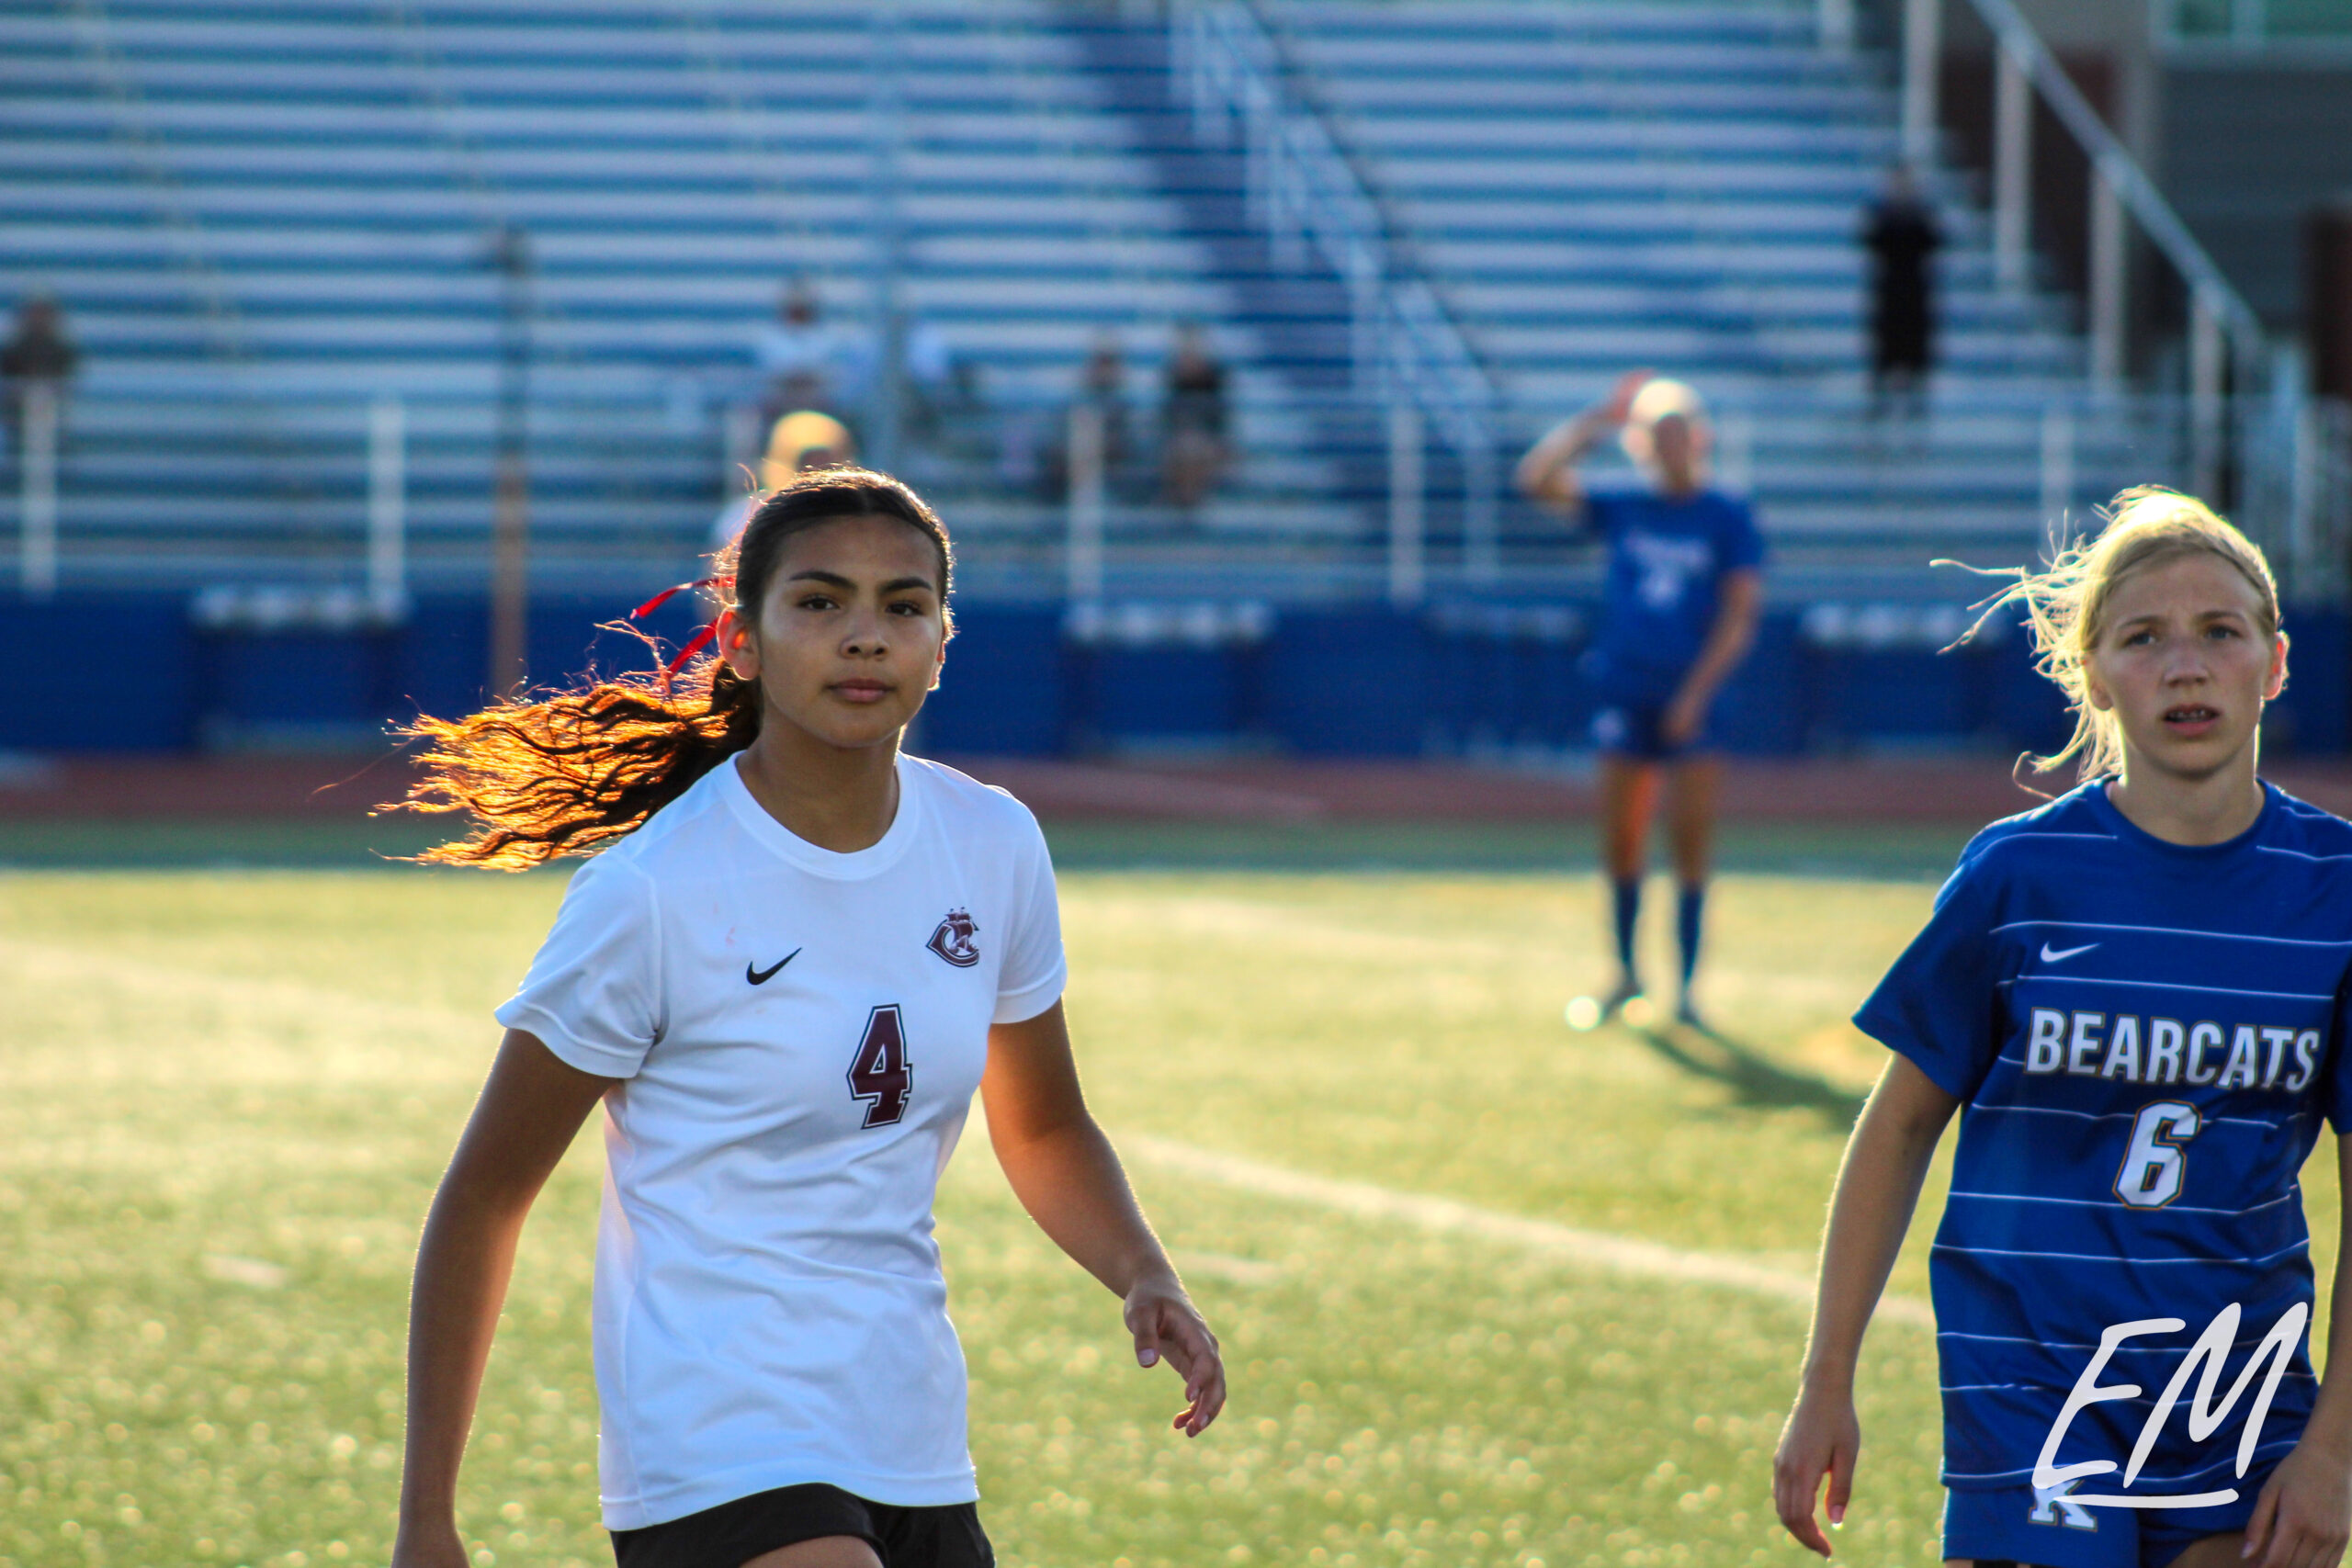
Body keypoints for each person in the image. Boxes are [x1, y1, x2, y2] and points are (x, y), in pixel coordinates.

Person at [388, 468, 1225, 1568]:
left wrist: (1142, 1270)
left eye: (902, 607)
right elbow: (487, 1194)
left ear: (942, 642)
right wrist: (426, 1520)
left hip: (909, 1426)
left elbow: (1045, 1126)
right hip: (715, 1433)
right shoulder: (654, 891)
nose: (865, 638)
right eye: (820, 603)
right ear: (740, 640)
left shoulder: (993, 843)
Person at [1773, 489, 2352, 1568]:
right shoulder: (2018, 875)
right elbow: (1897, 1128)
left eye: (2219, 633)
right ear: (2090, 672)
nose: (2185, 666)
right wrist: (1824, 1383)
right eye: (2143, 638)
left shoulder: (2339, 892)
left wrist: (2336, 1451)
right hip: (2031, 1380)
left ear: (2272, 664)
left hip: (2238, 1379)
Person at [1517, 369, 1765, 1030]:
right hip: (1628, 690)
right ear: (1641, 443)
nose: (1672, 445)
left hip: (1692, 697)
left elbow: (1739, 615)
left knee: (1688, 841)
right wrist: (1595, 423)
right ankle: (1624, 973)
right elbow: (1536, 479)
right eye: (1658, 434)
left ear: (1702, 439)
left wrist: (1695, 692)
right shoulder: (1625, 503)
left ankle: (1684, 989)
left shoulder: (1726, 513)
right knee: (1622, 840)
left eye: (1681, 432)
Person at [1862, 166, 1942, 422]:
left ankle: (1918, 412)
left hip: (1915, 296)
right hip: (1889, 295)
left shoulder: (1921, 216)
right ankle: (1879, 410)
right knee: (1885, 355)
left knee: (1916, 357)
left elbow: (1935, 242)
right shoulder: (1881, 215)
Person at [713, 410, 859, 547]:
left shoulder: (861, 514)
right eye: (807, 464)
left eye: (827, 464)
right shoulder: (747, 516)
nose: (816, 472)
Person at [1160, 320, 1228, 509]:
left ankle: (1192, 499)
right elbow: (1166, 416)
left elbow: (1221, 419)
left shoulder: (1215, 378)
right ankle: (1184, 499)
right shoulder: (1171, 375)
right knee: (1184, 449)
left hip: (1208, 438)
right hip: (1179, 438)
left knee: (1196, 450)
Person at [3, 292, 75, 452]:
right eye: (34, 313)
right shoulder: (13, 350)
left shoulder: (63, 350)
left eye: (43, 313)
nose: (38, 318)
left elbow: (68, 381)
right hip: (18, 417)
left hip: (53, 414)